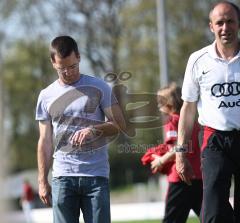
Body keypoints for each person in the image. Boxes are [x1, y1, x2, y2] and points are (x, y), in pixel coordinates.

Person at [35, 35, 125, 223]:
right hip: (62, 177)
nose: (68, 72)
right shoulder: (46, 96)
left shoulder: (100, 87)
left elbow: (119, 125)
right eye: (62, 69)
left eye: (72, 66)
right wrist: (42, 180)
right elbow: (44, 140)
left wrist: (93, 130)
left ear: (79, 57)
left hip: (96, 177)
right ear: (53, 63)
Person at [175, 1, 240, 223]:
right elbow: (188, 107)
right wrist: (180, 151)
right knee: (212, 211)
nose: (225, 27)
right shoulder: (197, 59)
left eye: (230, 21)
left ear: (238, 23)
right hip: (215, 140)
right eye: (219, 22)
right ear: (211, 26)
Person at [141, 83, 202, 223]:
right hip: (198, 176)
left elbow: (178, 148)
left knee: (172, 220)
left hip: (180, 179)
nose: (158, 105)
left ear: (169, 103)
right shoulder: (193, 121)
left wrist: (160, 160)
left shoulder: (172, 121)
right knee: (209, 217)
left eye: (160, 101)